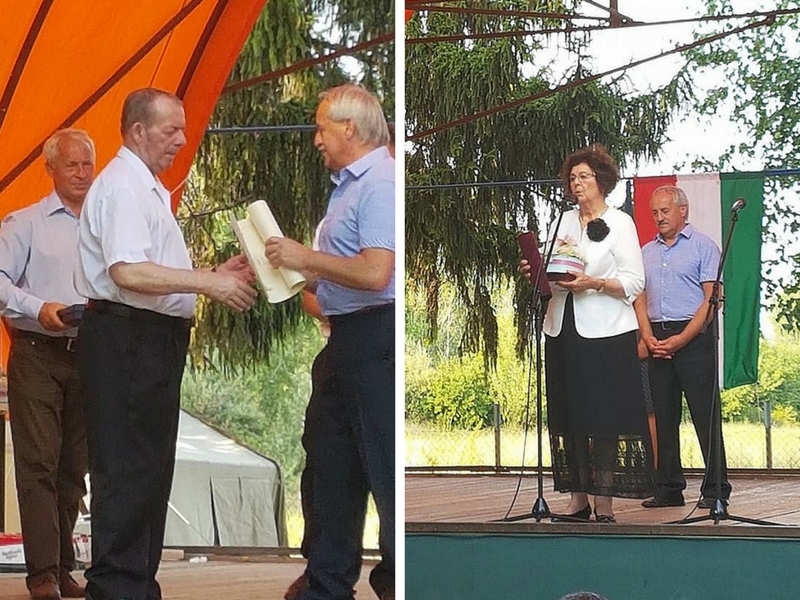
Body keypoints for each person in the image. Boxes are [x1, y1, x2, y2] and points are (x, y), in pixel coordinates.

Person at [76, 87, 257, 600]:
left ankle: (135, 584)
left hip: (146, 338)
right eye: (171, 129)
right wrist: (209, 283)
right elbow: (128, 271)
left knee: (149, 471)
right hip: (126, 336)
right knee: (128, 470)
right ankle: (117, 588)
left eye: (183, 128)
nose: (181, 139)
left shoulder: (146, 186)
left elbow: (149, 266)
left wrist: (213, 273)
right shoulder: (123, 186)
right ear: (138, 131)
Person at [266, 83, 395, 600]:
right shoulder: (347, 187)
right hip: (344, 339)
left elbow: (376, 273)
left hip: (375, 337)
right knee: (330, 464)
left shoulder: (380, 182)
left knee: (380, 467)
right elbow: (343, 272)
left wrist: (304, 258)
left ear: (349, 127)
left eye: (321, 129)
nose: (316, 139)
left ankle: (394, 581)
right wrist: (284, 270)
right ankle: (325, 583)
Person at [524, 144, 652, 522]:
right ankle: (578, 499)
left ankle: (605, 502)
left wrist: (594, 282)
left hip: (607, 333)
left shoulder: (621, 222)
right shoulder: (562, 221)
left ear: (602, 181)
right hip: (563, 327)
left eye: (584, 177)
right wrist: (535, 270)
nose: (576, 183)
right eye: (572, 178)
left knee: (604, 417)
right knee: (570, 414)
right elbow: (555, 269)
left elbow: (634, 282)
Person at [0, 129, 95, 600]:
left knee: (74, 466)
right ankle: (42, 574)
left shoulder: (104, 225)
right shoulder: (25, 224)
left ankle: (62, 566)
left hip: (91, 353)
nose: (81, 173)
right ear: (51, 168)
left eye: (87, 164)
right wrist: (38, 308)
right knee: (38, 461)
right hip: (38, 351)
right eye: (71, 164)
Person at [636, 185, 731, 509]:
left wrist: (682, 338)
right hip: (657, 337)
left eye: (665, 211)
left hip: (694, 337)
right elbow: (640, 298)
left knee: (705, 415)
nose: (659, 218)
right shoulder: (646, 253)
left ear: (683, 210)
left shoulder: (704, 247)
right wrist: (648, 336)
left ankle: (716, 490)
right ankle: (668, 488)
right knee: (664, 417)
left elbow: (711, 301)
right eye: (654, 212)